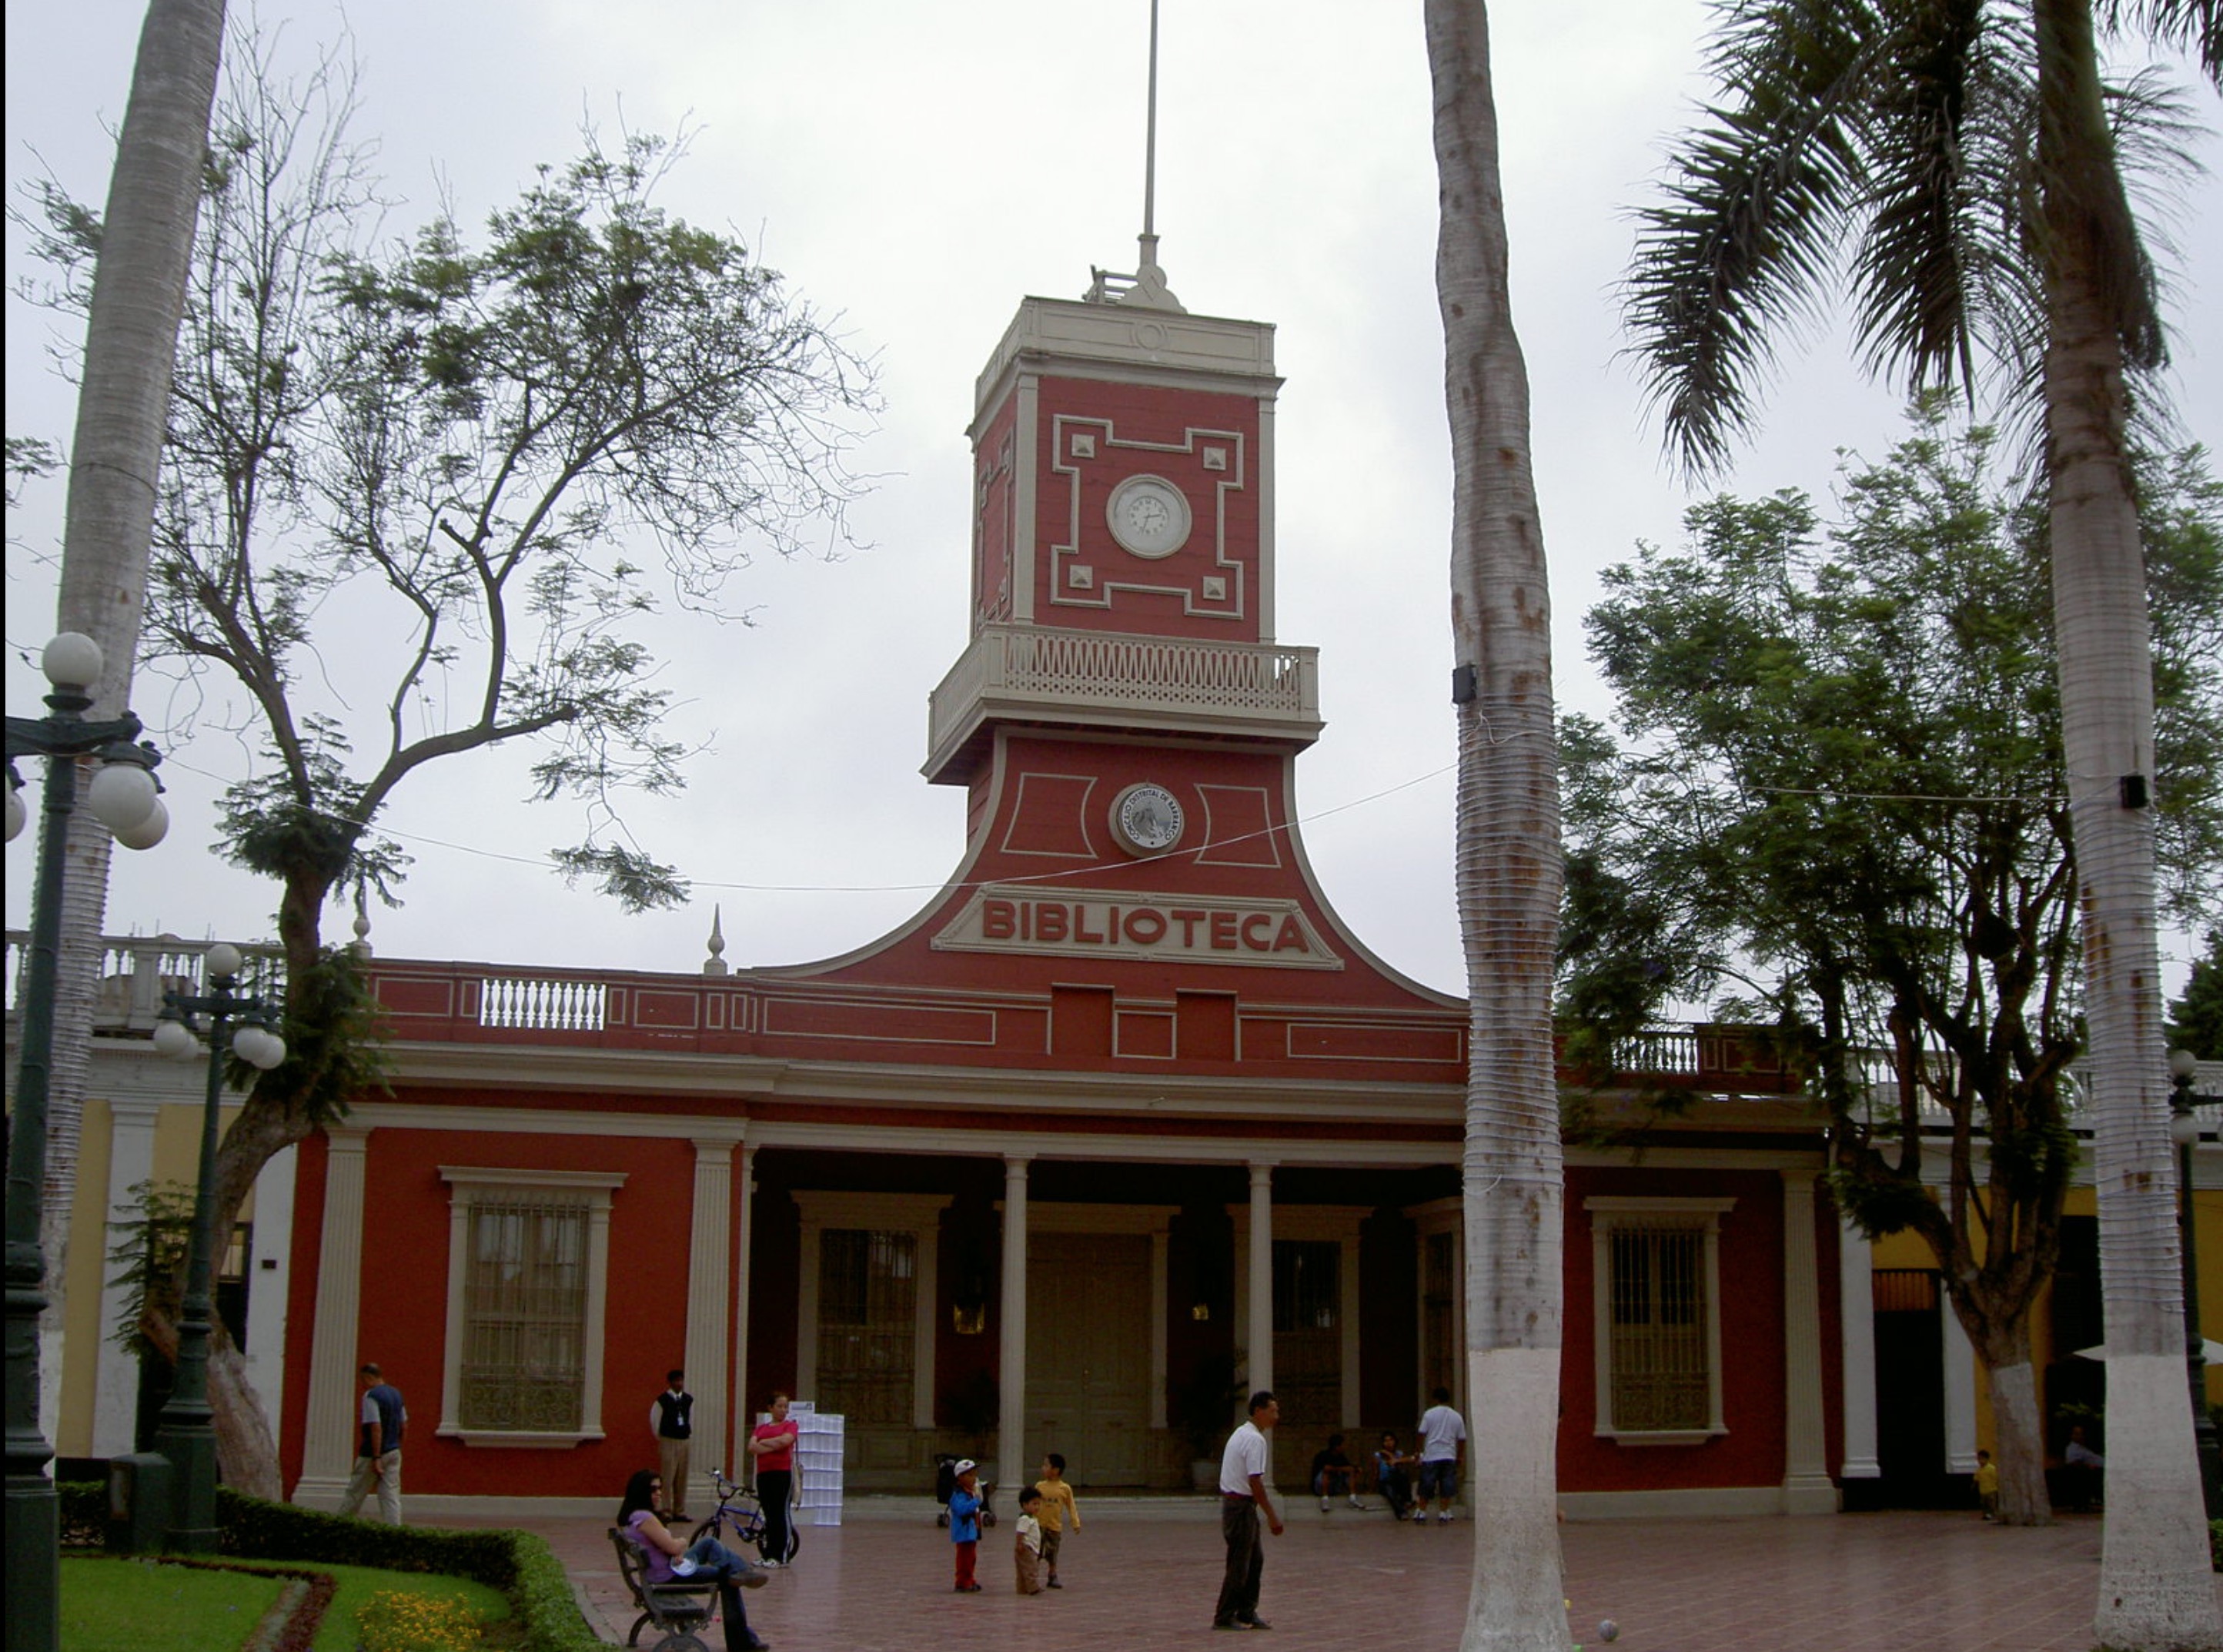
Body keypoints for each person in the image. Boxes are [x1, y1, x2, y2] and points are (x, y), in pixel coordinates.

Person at [617, 1468, 770, 1651]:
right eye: (653, 1489)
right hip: (669, 1576)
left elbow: (665, 1548)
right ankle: (742, 1641)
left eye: (659, 1488)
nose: (658, 1493)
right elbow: (673, 1546)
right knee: (727, 1579)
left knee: (708, 1543)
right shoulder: (645, 1518)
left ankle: (740, 1571)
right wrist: (679, 1543)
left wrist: (674, 1549)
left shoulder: (634, 1517)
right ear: (641, 1491)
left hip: (668, 1567)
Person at [1212, 1389, 1283, 1632]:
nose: (1276, 1416)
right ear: (1259, 1411)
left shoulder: (1242, 1433)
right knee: (1240, 1564)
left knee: (1255, 1561)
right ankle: (1224, 1616)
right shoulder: (1255, 1440)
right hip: (1241, 1507)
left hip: (1239, 1507)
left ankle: (1246, 1611)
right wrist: (1273, 1516)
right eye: (1272, 1411)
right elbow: (1255, 1482)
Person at [338, 1362, 406, 1524]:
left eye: (363, 1380)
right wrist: (398, 1446)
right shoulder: (397, 1394)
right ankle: (395, 1530)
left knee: (356, 1492)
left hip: (372, 1454)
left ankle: (340, 1525)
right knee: (390, 1495)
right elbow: (404, 1425)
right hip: (393, 1451)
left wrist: (376, 1457)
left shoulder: (371, 1396)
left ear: (369, 1378)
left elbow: (375, 1427)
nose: (362, 1385)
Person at [747, 1392, 801, 1564]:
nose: (783, 1410)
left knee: (780, 1513)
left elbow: (785, 1442)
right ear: (770, 1408)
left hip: (782, 1473)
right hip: (764, 1474)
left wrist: (764, 1443)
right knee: (769, 1515)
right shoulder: (761, 1428)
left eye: (786, 1407)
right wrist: (771, 1444)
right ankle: (767, 1554)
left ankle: (781, 1556)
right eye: (780, 1406)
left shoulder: (790, 1426)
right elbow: (752, 1447)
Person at [1416, 1386, 1466, 1524]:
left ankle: (1422, 1511)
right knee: (1447, 1485)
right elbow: (1461, 1439)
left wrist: (1419, 1452)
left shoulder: (1429, 1414)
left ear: (1435, 1398)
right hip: (1449, 1455)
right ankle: (1443, 1512)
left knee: (1426, 1485)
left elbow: (1421, 1434)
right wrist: (1460, 1456)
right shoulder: (1457, 1416)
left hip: (1431, 1454)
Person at [652, 1369, 696, 1520]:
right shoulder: (662, 1400)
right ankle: (666, 1509)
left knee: (681, 1476)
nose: (679, 1384)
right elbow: (655, 1420)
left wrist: (688, 1434)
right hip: (668, 1439)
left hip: (684, 1439)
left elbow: (691, 1418)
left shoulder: (688, 1400)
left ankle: (680, 1510)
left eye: (681, 1381)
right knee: (667, 1476)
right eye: (676, 1381)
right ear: (670, 1383)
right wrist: (662, 1437)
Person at [1034, 1452, 1080, 1588]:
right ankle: (1033, 1576)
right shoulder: (1039, 1486)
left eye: (1046, 1465)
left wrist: (1075, 1522)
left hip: (1054, 1527)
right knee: (1036, 1551)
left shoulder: (1064, 1488)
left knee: (1052, 1553)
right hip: (1038, 1525)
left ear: (1056, 1470)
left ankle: (1052, 1575)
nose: (1043, 1468)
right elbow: (1033, 1503)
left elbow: (1071, 1506)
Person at [948, 1457, 984, 1592]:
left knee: (971, 1558)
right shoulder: (958, 1494)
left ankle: (970, 1578)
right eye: (970, 1475)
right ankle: (962, 1581)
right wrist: (976, 1501)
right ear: (960, 1477)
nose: (973, 1479)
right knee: (964, 1559)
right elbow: (961, 1509)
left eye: (974, 1475)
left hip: (971, 1531)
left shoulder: (970, 1493)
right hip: (963, 1532)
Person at [1310, 1431, 1362, 1512]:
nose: (1345, 1447)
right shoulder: (1323, 1455)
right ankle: (1325, 1500)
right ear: (1337, 1447)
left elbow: (1348, 1467)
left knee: (1351, 1471)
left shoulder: (1341, 1457)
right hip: (1320, 1486)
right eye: (1343, 1445)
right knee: (1326, 1472)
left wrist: (1354, 1469)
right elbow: (1326, 1468)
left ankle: (1353, 1498)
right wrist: (1338, 1469)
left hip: (1335, 1486)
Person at [1372, 1431, 1415, 1521]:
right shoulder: (1378, 1455)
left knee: (1403, 1474)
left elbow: (1403, 1463)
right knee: (1390, 1491)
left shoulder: (1399, 1454)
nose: (1388, 1443)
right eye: (1386, 1441)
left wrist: (1391, 1456)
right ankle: (1401, 1512)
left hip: (1396, 1480)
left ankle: (1408, 1500)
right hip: (1384, 1482)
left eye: (1391, 1440)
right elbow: (1376, 1471)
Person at [2062, 1425, 2104, 1513]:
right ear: (2072, 1435)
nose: (2080, 1436)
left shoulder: (2083, 1448)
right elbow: (2072, 1462)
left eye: (2081, 1434)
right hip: (2088, 1472)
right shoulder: (2072, 1448)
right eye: (2077, 1434)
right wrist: (2088, 1466)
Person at [1013, 1485, 1045, 1594]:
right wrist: (1019, 1544)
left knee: (1023, 1570)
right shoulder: (1025, 1519)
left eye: (1038, 1504)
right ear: (1025, 1505)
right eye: (1034, 1504)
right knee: (1030, 1568)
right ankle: (1033, 1588)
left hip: (1030, 1547)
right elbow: (1020, 1533)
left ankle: (1022, 1589)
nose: (1037, 1507)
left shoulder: (1032, 1518)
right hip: (1027, 1547)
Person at [1974, 1447, 1998, 1521]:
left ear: (1987, 1459)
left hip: (1991, 1490)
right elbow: (1976, 1479)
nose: (1980, 1461)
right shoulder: (1979, 1470)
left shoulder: (1992, 1468)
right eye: (1979, 1459)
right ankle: (1986, 1514)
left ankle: (1992, 1514)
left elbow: (1996, 1478)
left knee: (1991, 1503)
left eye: (1982, 1459)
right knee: (1984, 1504)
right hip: (1983, 1491)